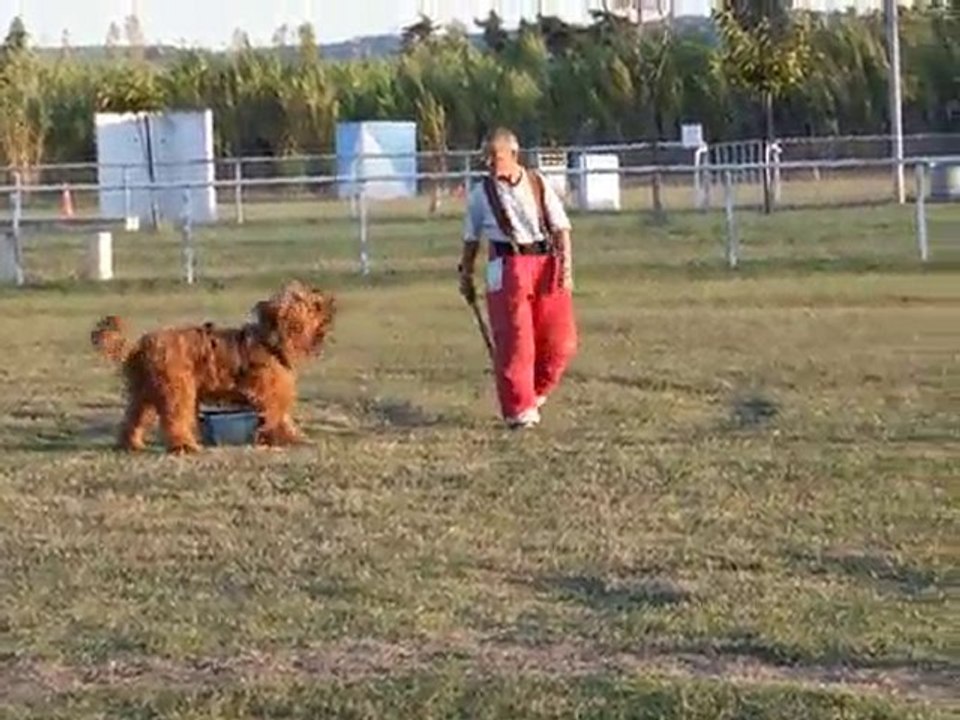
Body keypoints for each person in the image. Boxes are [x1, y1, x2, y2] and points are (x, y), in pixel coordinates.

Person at [458, 128, 578, 429]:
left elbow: (561, 226)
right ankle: (518, 411)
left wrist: (566, 267)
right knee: (515, 341)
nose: (488, 162)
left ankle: (534, 393)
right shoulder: (480, 195)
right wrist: (466, 273)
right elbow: (471, 239)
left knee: (560, 342)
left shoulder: (538, 183)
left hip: (545, 261)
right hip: (506, 266)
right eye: (484, 157)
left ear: (513, 154)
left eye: (493, 156)